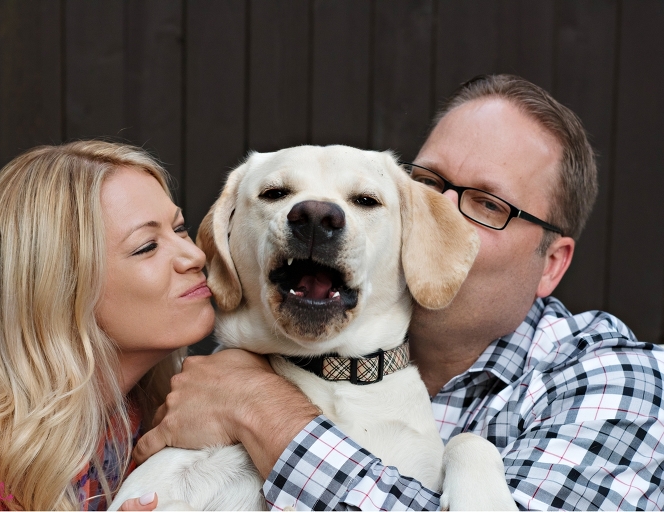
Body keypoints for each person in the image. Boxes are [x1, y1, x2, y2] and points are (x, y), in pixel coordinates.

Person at [136, 74, 664, 510]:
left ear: (551, 265)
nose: (439, 216)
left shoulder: (619, 381)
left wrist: (257, 407)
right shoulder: (197, 390)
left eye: (487, 204)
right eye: (427, 182)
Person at [0, 141, 214, 510]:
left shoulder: (136, 415)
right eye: (147, 246)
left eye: (180, 228)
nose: (195, 255)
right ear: (59, 285)